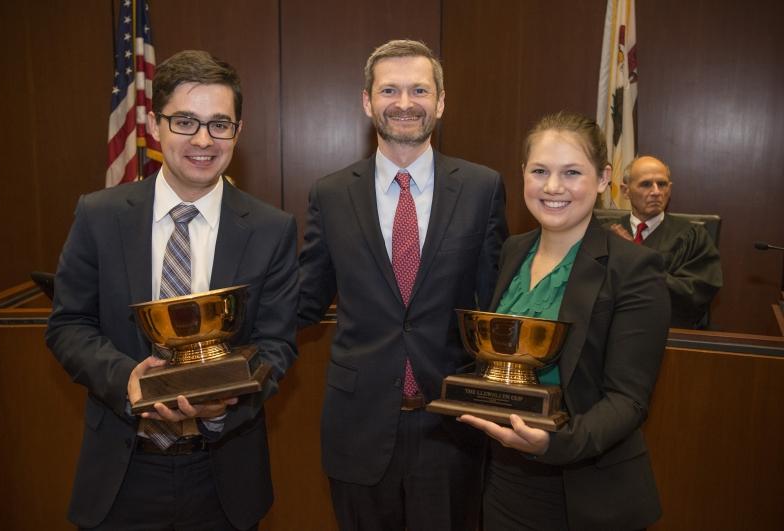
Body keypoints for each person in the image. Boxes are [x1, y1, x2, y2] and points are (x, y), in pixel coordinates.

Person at [45, 50, 298, 530]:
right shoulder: (99, 216)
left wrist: (222, 403)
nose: (203, 139)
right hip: (123, 470)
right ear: (154, 128)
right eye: (185, 121)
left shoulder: (272, 229)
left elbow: (278, 345)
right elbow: (68, 325)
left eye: (219, 124)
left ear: (237, 132)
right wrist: (128, 381)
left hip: (223, 474)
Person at [298, 39, 508, 530]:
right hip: (358, 426)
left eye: (419, 89)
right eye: (389, 89)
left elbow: (494, 302)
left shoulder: (483, 188)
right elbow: (306, 300)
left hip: (453, 425)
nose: (405, 103)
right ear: (367, 101)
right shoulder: (330, 194)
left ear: (441, 101)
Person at [459, 112, 670, 530]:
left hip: (588, 492)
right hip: (504, 481)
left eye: (571, 172)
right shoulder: (512, 251)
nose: (553, 187)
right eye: (540, 171)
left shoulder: (635, 269)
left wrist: (551, 442)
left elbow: (628, 400)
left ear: (603, 177)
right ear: (523, 174)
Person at [608, 155, 723, 328]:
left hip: (666, 335)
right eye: (646, 184)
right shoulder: (607, 234)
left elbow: (694, 297)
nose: (656, 192)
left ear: (669, 189)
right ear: (625, 191)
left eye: (662, 184)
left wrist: (635, 256)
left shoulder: (693, 236)